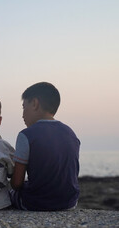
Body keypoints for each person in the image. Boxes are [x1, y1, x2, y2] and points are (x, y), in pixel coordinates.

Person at [10, 82, 80, 211]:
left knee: (8, 193)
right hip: (69, 203)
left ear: (35, 104)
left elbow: (17, 183)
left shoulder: (26, 135)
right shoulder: (70, 133)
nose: (22, 115)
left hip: (36, 203)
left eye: (24, 107)